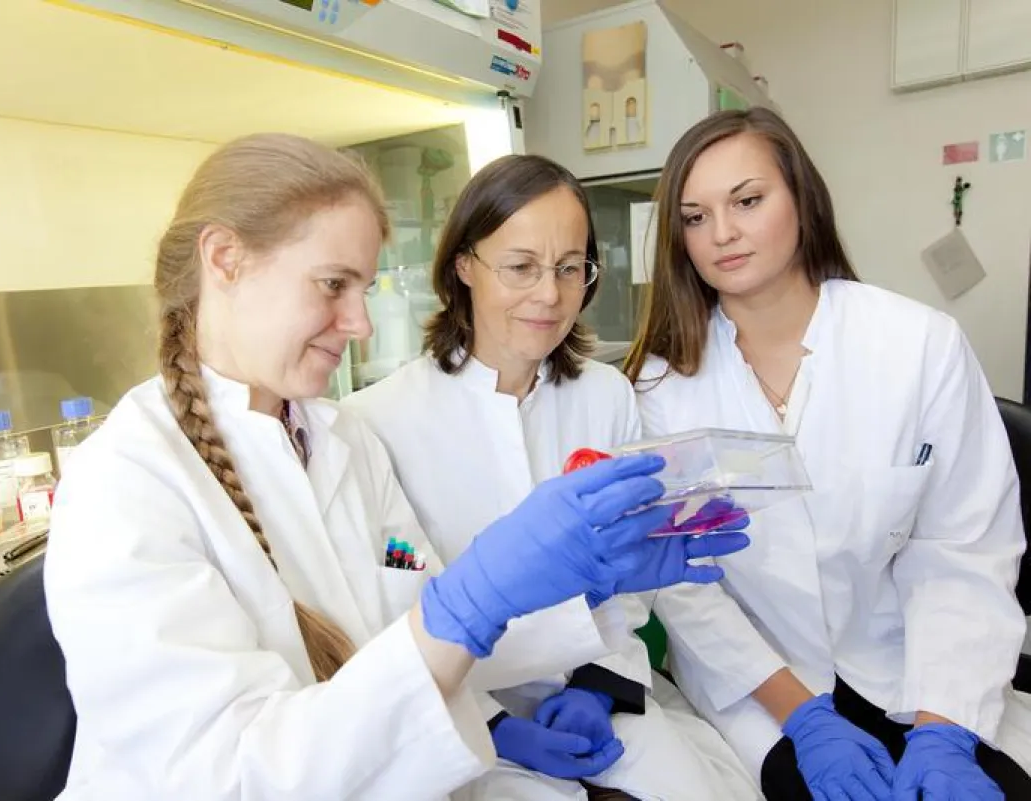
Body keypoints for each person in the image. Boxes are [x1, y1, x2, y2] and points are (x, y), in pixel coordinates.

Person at [42, 133, 745, 801]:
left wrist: (572, 586)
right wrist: (476, 594)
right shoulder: (124, 487)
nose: (361, 326)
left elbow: (416, 607)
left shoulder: (343, 443)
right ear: (224, 258)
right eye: (331, 284)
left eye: (364, 290)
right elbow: (235, 776)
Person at [625, 106, 1031, 800]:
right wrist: (804, 715)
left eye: (747, 201)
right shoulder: (662, 391)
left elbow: (962, 551)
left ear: (802, 201)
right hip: (765, 685)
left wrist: (943, 730)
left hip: (917, 669)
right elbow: (688, 587)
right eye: (694, 217)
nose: (722, 233)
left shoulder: (917, 347)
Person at [343, 154, 760, 801]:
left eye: (571, 268)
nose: (550, 293)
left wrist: (600, 686)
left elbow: (628, 576)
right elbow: (393, 601)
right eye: (520, 267)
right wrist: (495, 723)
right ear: (463, 265)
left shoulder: (604, 395)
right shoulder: (376, 421)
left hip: (597, 688)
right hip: (460, 714)